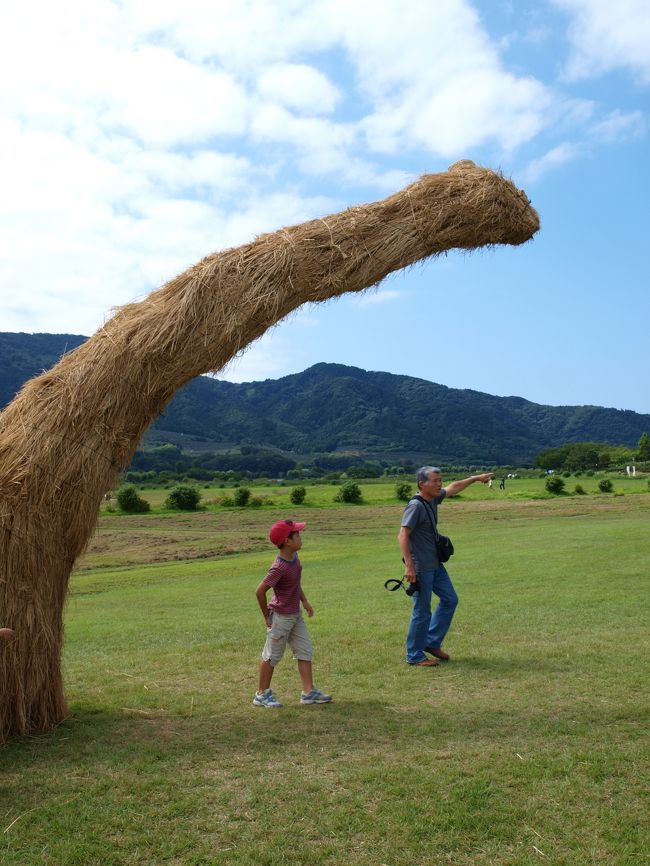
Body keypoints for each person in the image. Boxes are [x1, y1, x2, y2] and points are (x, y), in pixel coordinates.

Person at [398, 466, 493, 666]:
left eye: (440, 480)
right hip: (421, 567)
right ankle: (414, 655)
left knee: (450, 600)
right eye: (435, 481)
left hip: (436, 565)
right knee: (422, 611)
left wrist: (475, 478)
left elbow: (453, 488)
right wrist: (409, 566)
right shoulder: (415, 506)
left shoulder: (433, 499)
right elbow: (402, 535)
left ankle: (431, 642)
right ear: (421, 484)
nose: (439, 484)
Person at [253, 519, 332, 708]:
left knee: (305, 650)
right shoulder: (279, 567)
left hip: (295, 615)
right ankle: (261, 695)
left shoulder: (294, 558)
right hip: (280, 618)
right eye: (297, 534)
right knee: (271, 656)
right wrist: (267, 616)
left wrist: (304, 601)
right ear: (287, 541)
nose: (300, 537)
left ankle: (308, 692)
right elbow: (259, 591)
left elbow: (294, 583)